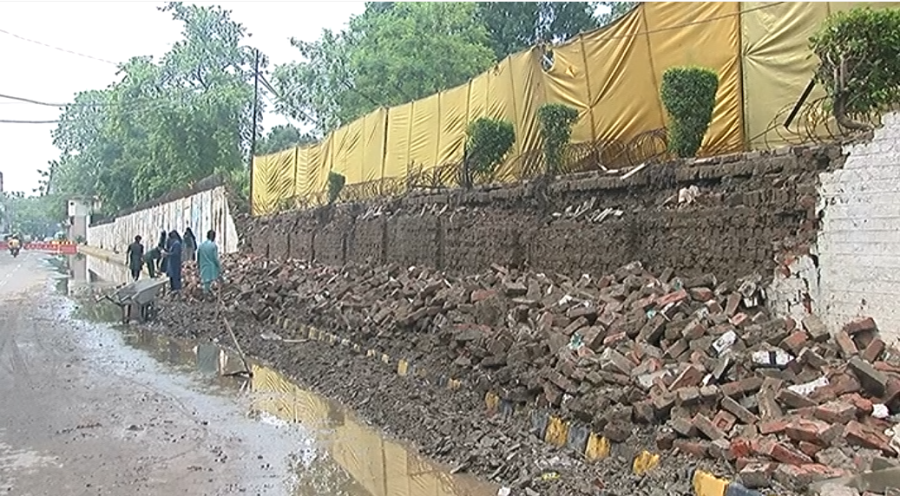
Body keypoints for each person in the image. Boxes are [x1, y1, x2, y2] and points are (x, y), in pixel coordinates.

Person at [197, 229, 222, 294]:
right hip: (211, 267)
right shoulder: (213, 246)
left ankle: (206, 295)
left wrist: (198, 266)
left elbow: (198, 257)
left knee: (206, 282)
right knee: (212, 281)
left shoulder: (201, 246)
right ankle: (208, 295)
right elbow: (215, 258)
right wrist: (219, 267)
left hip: (203, 266)